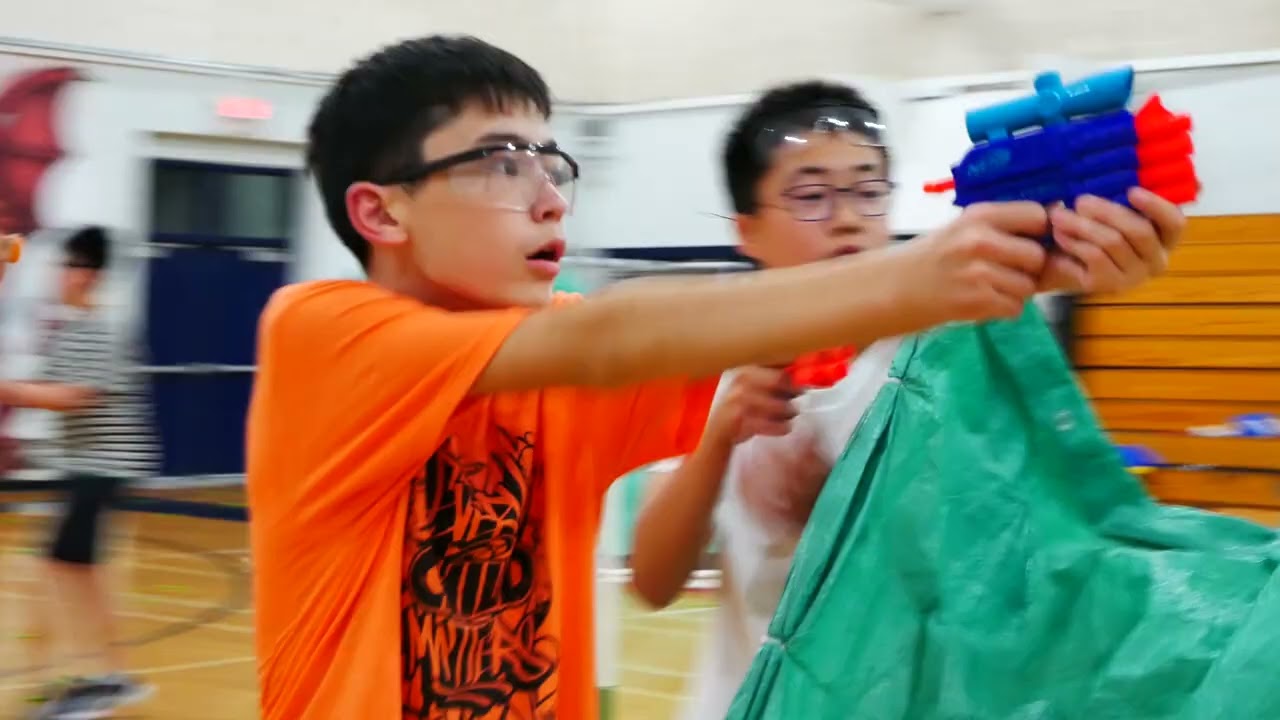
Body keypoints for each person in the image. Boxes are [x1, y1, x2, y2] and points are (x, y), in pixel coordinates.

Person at [245, 36, 1176, 720]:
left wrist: (1040, 260)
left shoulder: (561, 348)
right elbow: (615, 335)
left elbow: (785, 339)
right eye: (499, 163)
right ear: (380, 210)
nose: (547, 193)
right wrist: (923, 268)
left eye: (550, 162)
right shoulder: (324, 333)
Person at [627, 80, 1187, 720]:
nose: (847, 217)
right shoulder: (706, 368)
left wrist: (1101, 250)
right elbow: (651, 580)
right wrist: (719, 439)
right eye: (811, 196)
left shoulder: (944, 346)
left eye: (868, 191)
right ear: (747, 229)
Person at [0, 226, 159, 719]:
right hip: (83, 470)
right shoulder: (73, 329)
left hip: (102, 469)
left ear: (87, 276)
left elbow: (71, 397)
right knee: (76, 570)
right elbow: (42, 384)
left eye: (67, 266)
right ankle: (111, 675)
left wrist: (11, 391)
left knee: (63, 568)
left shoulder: (101, 331)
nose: (57, 274)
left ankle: (99, 680)